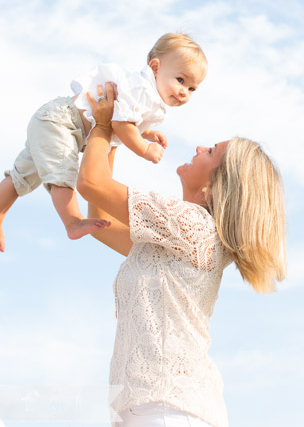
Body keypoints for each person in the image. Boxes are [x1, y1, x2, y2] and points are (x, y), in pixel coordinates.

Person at [77, 83, 287, 427]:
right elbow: (98, 219)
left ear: (216, 185)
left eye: (210, 152)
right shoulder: (178, 238)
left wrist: (103, 125)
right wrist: (114, 136)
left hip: (167, 411)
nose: (200, 147)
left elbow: (91, 184)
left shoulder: (191, 225)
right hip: (152, 410)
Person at [0, 33, 207, 252]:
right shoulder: (141, 89)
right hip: (63, 123)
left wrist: (146, 133)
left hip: (54, 122)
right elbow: (121, 124)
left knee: (21, 176)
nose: (184, 93)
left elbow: (127, 119)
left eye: (192, 89)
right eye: (181, 81)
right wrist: (144, 148)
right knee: (62, 172)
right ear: (155, 68)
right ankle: (72, 220)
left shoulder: (146, 96)